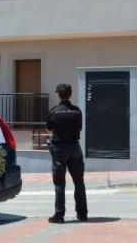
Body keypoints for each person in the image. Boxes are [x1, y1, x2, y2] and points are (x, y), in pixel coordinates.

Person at [46, 84, 88, 223]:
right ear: (70, 94)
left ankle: (59, 215)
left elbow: (49, 128)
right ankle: (82, 214)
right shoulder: (77, 111)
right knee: (79, 182)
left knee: (59, 184)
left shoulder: (53, 111)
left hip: (59, 150)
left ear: (58, 95)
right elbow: (79, 128)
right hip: (75, 148)